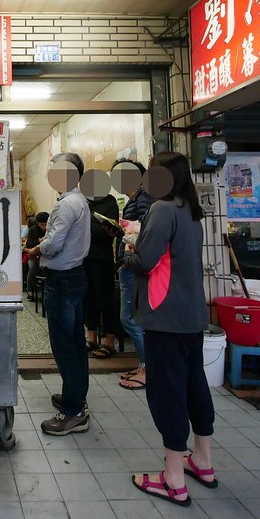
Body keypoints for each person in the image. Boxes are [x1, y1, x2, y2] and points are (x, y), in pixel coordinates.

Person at [123, 151, 214, 507]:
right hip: (191, 316)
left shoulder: (161, 209)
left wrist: (128, 251)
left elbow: (146, 261)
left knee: (167, 392)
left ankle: (174, 478)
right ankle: (202, 461)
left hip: (165, 316)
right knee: (194, 385)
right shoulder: (192, 212)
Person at [28, 153, 91, 435]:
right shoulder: (79, 201)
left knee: (65, 346)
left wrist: (37, 248)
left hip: (63, 280)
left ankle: (73, 412)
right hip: (75, 276)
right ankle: (76, 397)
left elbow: (53, 245)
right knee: (76, 342)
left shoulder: (67, 204)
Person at [116, 159, 155, 389]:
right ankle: (143, 365)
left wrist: (126, 232)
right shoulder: (134, 199)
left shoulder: (143, 199)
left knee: (130, 319)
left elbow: (142, 231)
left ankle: (148, 369)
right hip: (128, 264)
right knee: (130, 318)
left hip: (134, 266)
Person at [84, 190, 120, 358]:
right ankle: (92, 339)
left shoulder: (110, 203)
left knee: (105, 300)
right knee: (88, 299)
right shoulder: (84, 201)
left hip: (102, 259)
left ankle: (109, 342)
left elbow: (109, 233)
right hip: (84, 258)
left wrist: (86, 223)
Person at [24, 212, 48, 300]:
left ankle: (47, 291)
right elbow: (28, 245)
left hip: (48, 255)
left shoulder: (52, 229)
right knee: (33, 266)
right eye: (43, 225)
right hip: (35, 255)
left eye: (46, 224)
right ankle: (30, 290)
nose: (45, 227)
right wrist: (39, 240)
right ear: (38, 223)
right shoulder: (33, 230)